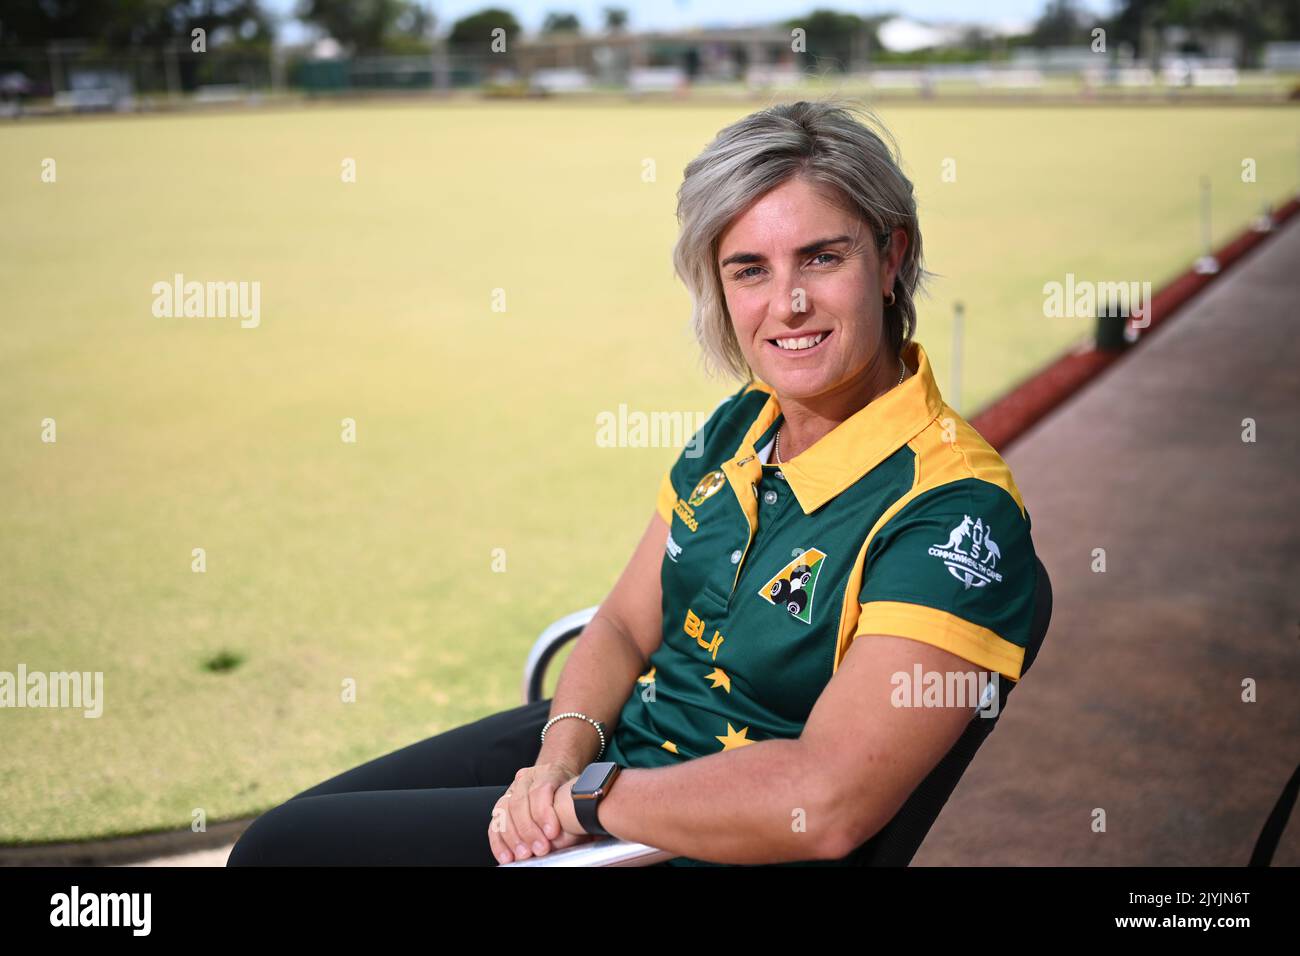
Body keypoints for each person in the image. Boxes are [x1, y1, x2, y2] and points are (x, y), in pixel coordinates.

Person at [226, 97, 1039, 868]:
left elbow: (825, 802)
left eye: (822, 258)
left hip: (672, 839)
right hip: (604, 762)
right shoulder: (742, 424)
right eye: (748, 270)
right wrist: (556, 760)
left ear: (891, 256)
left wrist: (584, 800)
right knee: (286, 835)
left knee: (285, 858)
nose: (787, 303)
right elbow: (619, 625)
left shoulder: (953, 515)